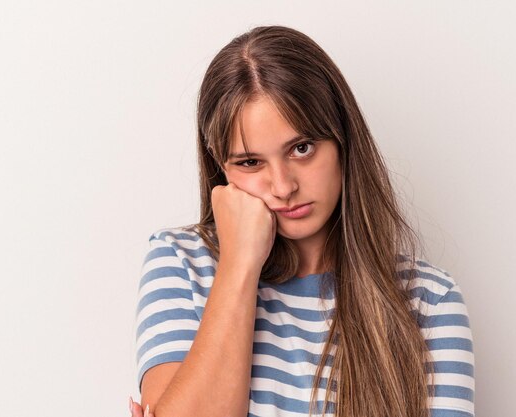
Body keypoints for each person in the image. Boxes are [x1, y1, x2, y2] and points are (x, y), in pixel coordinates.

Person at [130, 25, 475, 417]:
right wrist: (239, 266)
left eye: (301, 148)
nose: (282, 186)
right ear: (220, 166)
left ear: (343, 140)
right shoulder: (180, 263)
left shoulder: (429, 302)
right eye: (249, 162)